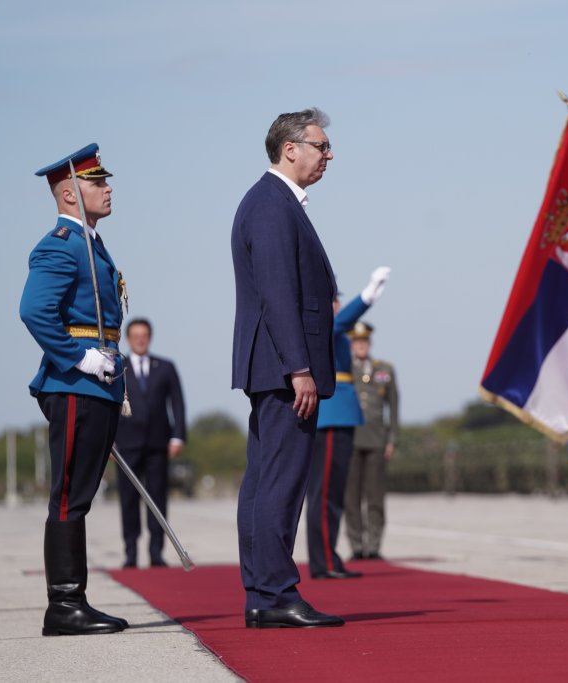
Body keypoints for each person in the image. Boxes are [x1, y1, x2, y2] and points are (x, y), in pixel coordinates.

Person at [230, 108, 343, 629]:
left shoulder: (274, 202)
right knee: (280, 482)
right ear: (290, 148)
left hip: (274, 366)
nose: (329, 155)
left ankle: (263, 593)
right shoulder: (272, 205)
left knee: (266, 481)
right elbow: (278, 294)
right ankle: (275, 592)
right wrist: (299, 367)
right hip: (284, 369)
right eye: (321, 145)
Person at [20, 143, 130, 635]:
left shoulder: (91, 244)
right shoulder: (60, 245)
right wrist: (80, 357)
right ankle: (63, 604)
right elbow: (34, 310)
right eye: (96, 182)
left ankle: (74, 600)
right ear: (69, 193)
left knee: (80, 495)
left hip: (97, 384)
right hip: (74, 383)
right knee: (68, 496)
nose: (108, 188)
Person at [307, 270, 390, 579]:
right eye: (333, 300)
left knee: (333, 493)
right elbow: (341, 321)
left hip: (341, 414)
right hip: (331, 415)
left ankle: (329, 556)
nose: (338, 305)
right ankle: (324, 561)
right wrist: (368, 295)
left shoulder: (334, 330)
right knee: (325, 493)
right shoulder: (323, 326)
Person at [114, 318, 187, 568]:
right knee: (128, 499)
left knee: (157, 498)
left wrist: (178, 436)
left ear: (150, 337)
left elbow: (177, 402)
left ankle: (156, 552)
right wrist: (108, 441)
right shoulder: (117, 367)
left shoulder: (165, 367)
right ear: (128, 338)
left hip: (158, 443)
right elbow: (109, 405)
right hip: (126, 444)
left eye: (144, 335)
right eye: (135, 336)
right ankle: (130, 552)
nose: (140, 340)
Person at [345, 321, 400, 561]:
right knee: (351, 497)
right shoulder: (344, 369)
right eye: (357, 342)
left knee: (375, 496)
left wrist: (392, 438)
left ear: (370, 343)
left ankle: (374, 545)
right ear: (351, 344)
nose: (361, 345)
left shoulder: (384, 369)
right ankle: (357, 545)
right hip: (350, 440)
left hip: (377, 440)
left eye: (364, 341)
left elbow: (394, 406)